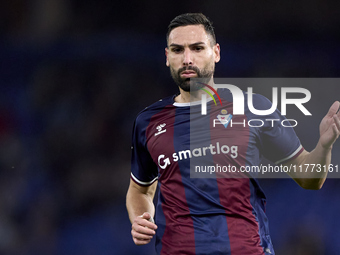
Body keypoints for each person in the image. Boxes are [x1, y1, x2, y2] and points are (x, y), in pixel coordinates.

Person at [126, 13, 340, 255]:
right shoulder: (148, 122)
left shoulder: (255, 108)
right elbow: (140, 189)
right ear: (167, 57)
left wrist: (324, 145)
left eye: (197, 48)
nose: (187, 59)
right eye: (178, 50)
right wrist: (140, 217)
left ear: (216, 52)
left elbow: (309, 177)